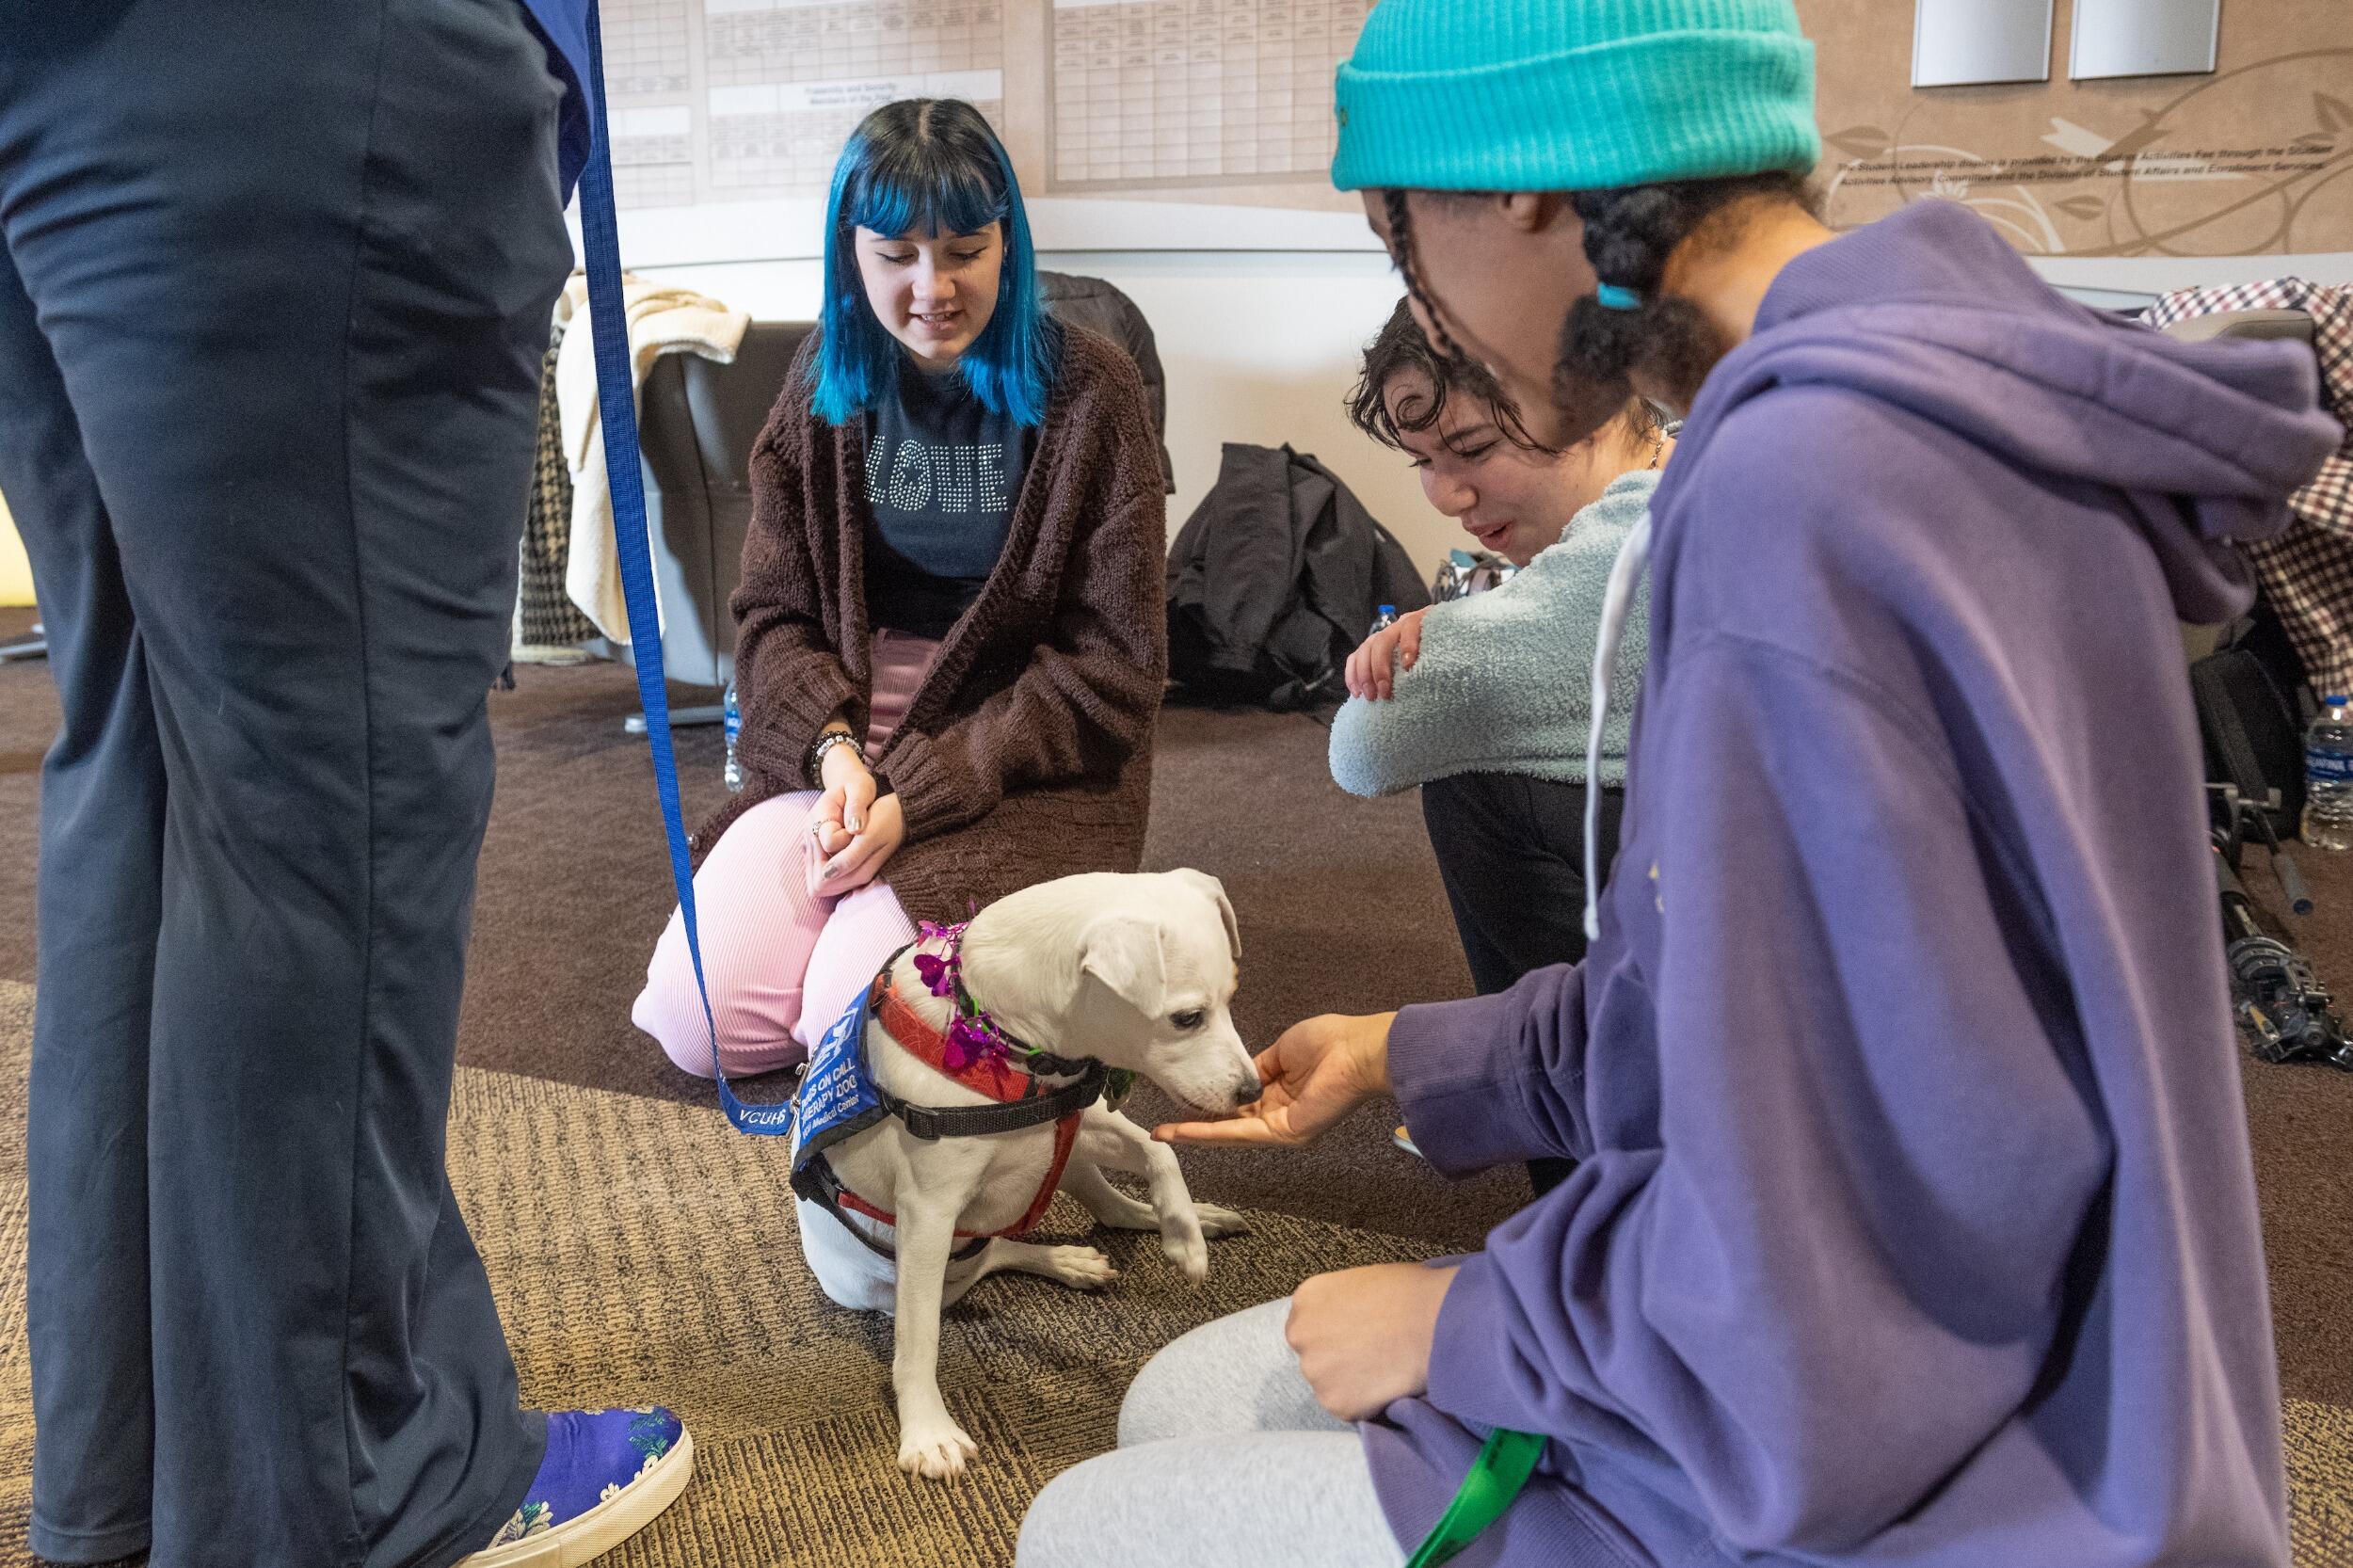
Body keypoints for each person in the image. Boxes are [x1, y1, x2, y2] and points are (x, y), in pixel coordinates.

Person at [1019, 5, 2340, 1568]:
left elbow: (1890, 1251)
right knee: (1184, 1406)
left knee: (1092, 1529)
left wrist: (1476, 1321)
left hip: (1942, 1484)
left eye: (1404, 248)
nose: (1430, 306)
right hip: (1981, 1391)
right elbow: (1764, 1012)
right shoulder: (1931, 385)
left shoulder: (1811, 494)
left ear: (1509, 193)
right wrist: (1414, 1048)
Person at [0, 5, 695, 1566]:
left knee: (145, 755)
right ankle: (356, 1490)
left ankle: (132, 1492)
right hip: (308, 69)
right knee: (330, 802)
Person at [632, 99, 1166, 1080]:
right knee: (698, 1027)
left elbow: (1116, 668)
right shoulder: (818, 383)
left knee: (858, 1028)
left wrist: (918, 794)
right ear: (852, 253)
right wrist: (836, 757)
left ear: (1008, 242)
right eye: (897, 255)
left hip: (1009, 751)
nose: (933, 287)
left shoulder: (1096, 390)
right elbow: (772, 615)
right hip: (846, 740)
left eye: (963, 249)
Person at [1332, 302, 1669, 1193]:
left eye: (1475, 450)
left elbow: (1370, 742)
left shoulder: (1635, 534)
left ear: (1588, 405)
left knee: (1474, 773)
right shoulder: (1698, 455)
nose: (1448, 495)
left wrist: (1447, 631)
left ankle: (1587, 1186)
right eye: (1427, 464)